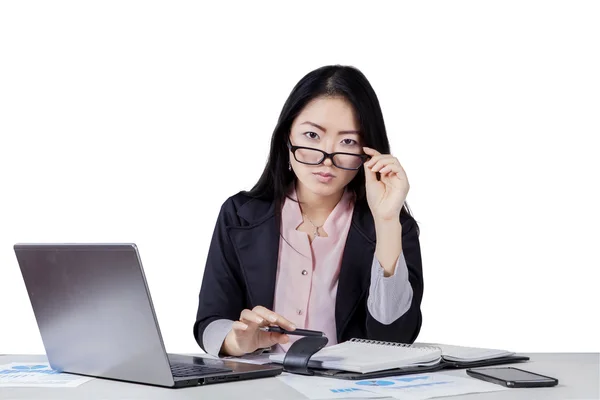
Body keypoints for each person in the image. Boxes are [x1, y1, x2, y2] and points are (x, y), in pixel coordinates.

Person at [193, 65, 423, 357]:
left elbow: (396, 339)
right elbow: (210, 321)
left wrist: (387, 220)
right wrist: (238, 341)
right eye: (312, 136)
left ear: (369, 150)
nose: (326, 159)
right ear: (287, 136)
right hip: (260, 385)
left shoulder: (392, 227)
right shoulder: (239, 216)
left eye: (348, 141)